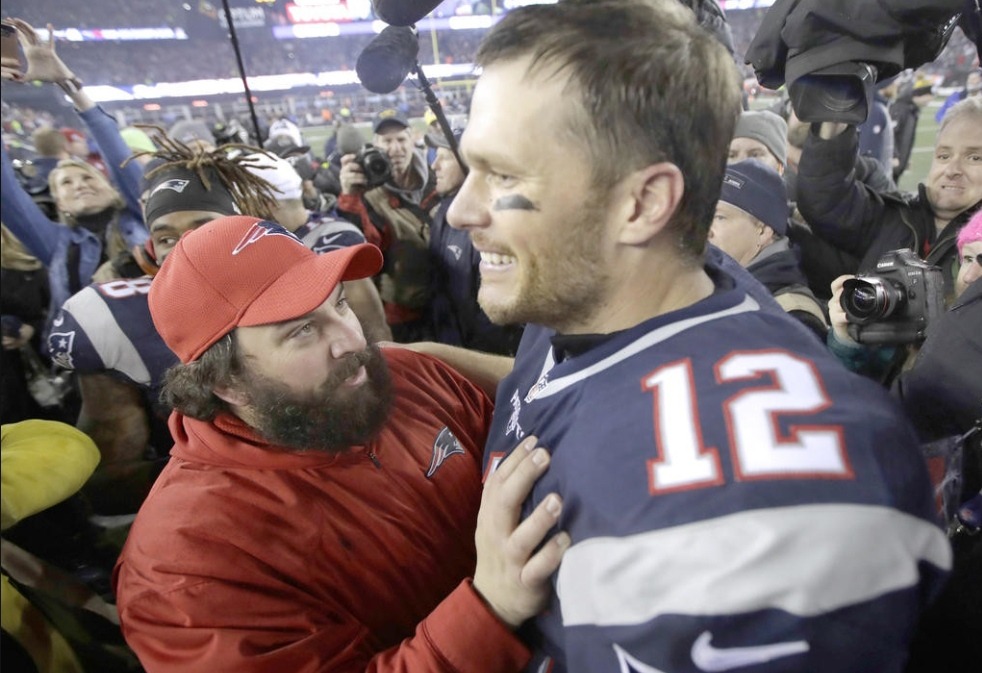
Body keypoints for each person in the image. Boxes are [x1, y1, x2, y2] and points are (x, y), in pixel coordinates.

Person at [435, 1, 951, 670]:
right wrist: (420, 361)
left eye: (503, 175)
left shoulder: (755, 496)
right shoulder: (586, 287)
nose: (461, 209)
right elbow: (568, 382)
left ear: (644, 203)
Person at [112, 214, 568, 672]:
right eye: (301, 330)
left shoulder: (407, 377)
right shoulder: (183, 568)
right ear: (224, 382)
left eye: (340, 304)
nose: (353, 340)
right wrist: (490, 607)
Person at [45, 133, 283, 515]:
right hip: (205, 506)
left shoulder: (304, 286)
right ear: (153, 248)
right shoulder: (116, 319)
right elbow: (111, 480)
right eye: (167, 236)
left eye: (204, 227)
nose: (186, 246)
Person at [0, 18, 150, 340]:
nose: (79, 183)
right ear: (60, 205)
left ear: (114, 188)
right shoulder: (55, 244)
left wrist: (68, 83)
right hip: (101, 372)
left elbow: (119, 154)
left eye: (86, 176)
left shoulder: (144, 216)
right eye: (65, 184)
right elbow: (5, 193)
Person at [798, 96, 982, 302]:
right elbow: (823, 200)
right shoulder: (895, 216)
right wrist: (834, 113)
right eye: (944, 156)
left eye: (974, 158)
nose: (951, 170)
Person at [243, 150, 392, 342]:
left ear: (266, 203)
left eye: (240, 202)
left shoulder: (332, 241)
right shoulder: (291, 235)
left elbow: (375, 331)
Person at [338, 108, 438, 342]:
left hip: (448, 303)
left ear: (413, 139)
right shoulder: (368, 195)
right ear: (374, 146)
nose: (395, 149)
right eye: (387, 141)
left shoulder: (437, 178)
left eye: (401, 139)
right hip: (405, 314)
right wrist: (349, 198)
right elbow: (363, 252)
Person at [426, 127, 523, 354]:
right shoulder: (443, 210)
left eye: (445, 157)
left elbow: (495, 314)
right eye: (435, 156)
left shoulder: (493, 221)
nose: (434, 165)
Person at [710, 160, 827, 339]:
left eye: (719, 217)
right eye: (704, 215)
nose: (705, 230)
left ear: (763, 231)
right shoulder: (711, 289)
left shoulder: (793, 314)